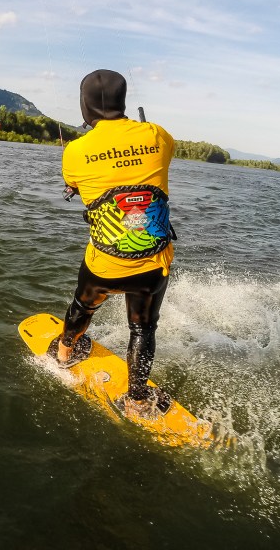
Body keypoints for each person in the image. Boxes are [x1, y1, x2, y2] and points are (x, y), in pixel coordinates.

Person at [52, 69, 176, 418]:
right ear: (123, 101)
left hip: (104, 265)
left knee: (83, 306)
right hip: (153, 265)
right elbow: (160, 155)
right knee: (142, 328)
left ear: (85, 106)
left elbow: (75, 182)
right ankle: (136, 399)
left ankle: (65, 352)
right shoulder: (157, 135)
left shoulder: (74, 152)